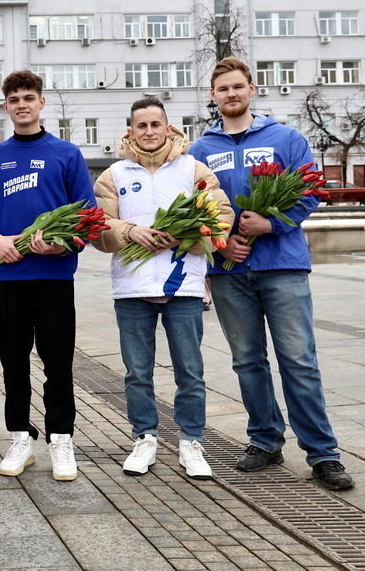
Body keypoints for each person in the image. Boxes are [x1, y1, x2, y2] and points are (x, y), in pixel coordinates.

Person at [189, 57, 354, 491]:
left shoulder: (286, 137)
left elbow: (309, 190)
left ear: (251, 89)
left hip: (282, 266)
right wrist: (221, 239)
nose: (231, 94)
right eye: (223, 89)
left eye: (238, 87)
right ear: (213, 96)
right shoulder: (200, 151)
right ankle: (264, 439)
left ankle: (323, 453)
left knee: (299, 361)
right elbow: (195, 209)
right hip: (229, 271)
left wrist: (272, 223)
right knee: (247, 361)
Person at [93, 96, 233, 481]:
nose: (150, 132)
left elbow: (221, 215)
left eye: (157, 124)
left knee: (190, 371)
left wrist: (185, 237)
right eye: (142, 126)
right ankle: (145, 438)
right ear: (131, 131)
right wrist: (129, 231)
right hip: (132, 289)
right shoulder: (113, 175)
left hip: (183, 285)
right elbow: (98, 229)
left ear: (169, 128)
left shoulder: (193, 169)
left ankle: (191, 440)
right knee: (137, 372)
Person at [0, 70, 96, 480]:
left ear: (41, 103)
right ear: (6, 107)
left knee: (57, 362)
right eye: (14, 99)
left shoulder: (67, 154)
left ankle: (61, 439)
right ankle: (20, 437)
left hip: (54, 276)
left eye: (28, 97)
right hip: (9, 277)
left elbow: (87, 215)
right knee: (12, 363)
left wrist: (65, 244)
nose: (21, 104)